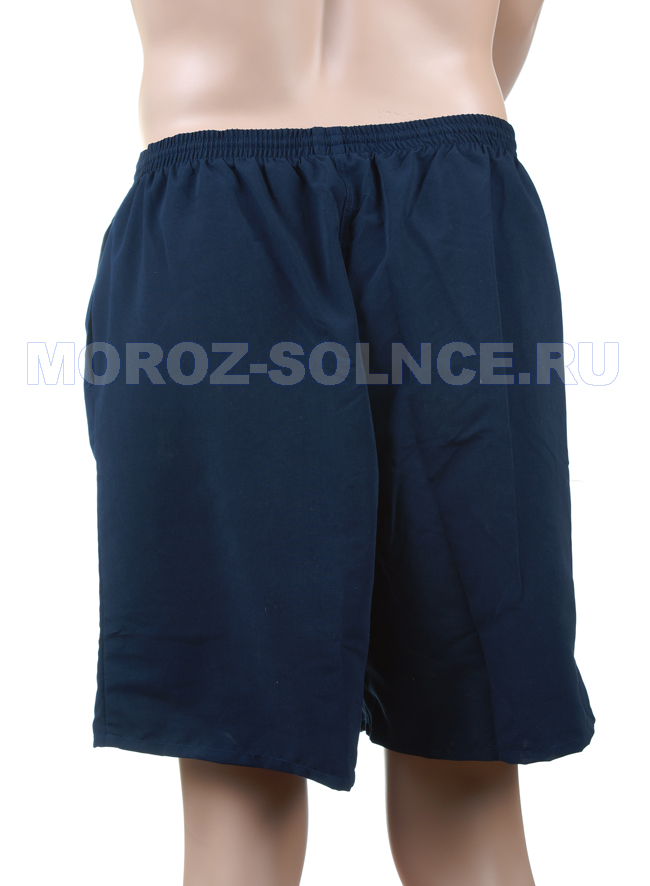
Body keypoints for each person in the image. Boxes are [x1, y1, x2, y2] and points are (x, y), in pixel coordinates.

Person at [83, 1, 595, 883]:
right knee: (466, 768)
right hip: (454, 211)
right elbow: (504, 40)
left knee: (240, 775)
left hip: (211, 221)